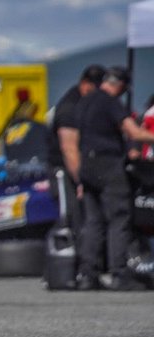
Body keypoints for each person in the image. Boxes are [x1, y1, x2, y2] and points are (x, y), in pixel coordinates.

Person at [74, 66, 154, 290]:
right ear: (120, 85)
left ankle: (88, 274)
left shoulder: (85, 102)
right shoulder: (110, 102)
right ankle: (120, 274)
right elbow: (134, 132)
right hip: (108, 165)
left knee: (93, 221)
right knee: (119, 218)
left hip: (87, 165)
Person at [49, 64, 106, 234]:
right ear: (86, 84)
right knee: (75, 218)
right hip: (65, 173)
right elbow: (69, 149)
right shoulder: (70, 109)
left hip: (78, 171)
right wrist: (81, 181)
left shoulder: (84, 102)